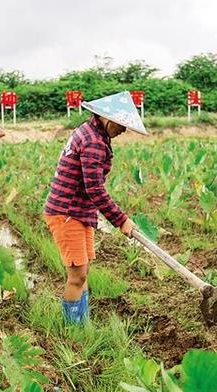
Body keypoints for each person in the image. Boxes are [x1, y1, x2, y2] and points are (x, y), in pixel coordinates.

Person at [43, 91, 148, 324]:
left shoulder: (90, 131)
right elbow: (95, 190)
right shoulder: (93, 142)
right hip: (68, 213)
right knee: (77, 277)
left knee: (83, 272)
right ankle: (73, 329)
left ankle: (83, 321)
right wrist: (121, 220)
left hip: (79, 212)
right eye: (122, 126)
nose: (124, 131)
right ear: (109, 119)